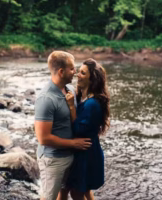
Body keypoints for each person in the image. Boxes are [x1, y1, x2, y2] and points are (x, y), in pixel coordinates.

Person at [34, 51, 92, 200]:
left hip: (71, 155)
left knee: (64, 193)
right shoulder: (46, 99)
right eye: (72, 69)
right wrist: (73, 143)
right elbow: (43, 138)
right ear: (61, 71)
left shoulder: (70, 90)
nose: (75, 73)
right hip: (53, 159)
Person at [60, 58, 110, 200]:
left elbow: (78, 130)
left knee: (77, 193)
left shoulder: (92, 104)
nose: (77, 75)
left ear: (92, 79)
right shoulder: (84, 97)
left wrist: (70, 106)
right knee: (84, 191)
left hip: (86, 155)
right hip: (86, 152)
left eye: (82, 73)